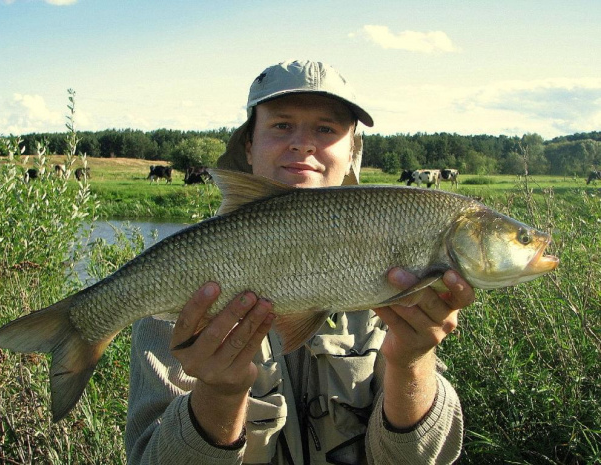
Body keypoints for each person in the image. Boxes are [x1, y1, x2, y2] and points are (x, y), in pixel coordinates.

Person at [125, 59, 474, 464]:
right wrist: (218, 396)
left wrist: (412, 361)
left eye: (326, 129)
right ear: (249, 147)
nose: (303, 144)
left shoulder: (394, 273)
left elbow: (415, 459)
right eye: (281, 125)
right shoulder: (184, 275)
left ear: (352, 152)